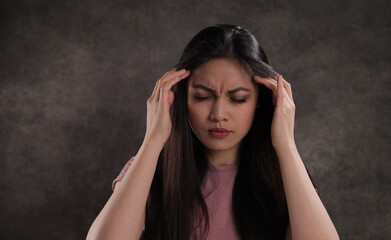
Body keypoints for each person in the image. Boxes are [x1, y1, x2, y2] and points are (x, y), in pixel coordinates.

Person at [86, 24, 340, 240]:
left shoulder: (284, 174)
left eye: (238, 99)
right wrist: (153, 140)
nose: (218, 113)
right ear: (183, 98)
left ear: (260, 102)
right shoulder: (151, 170)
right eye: (203, 97)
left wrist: (285, 144)